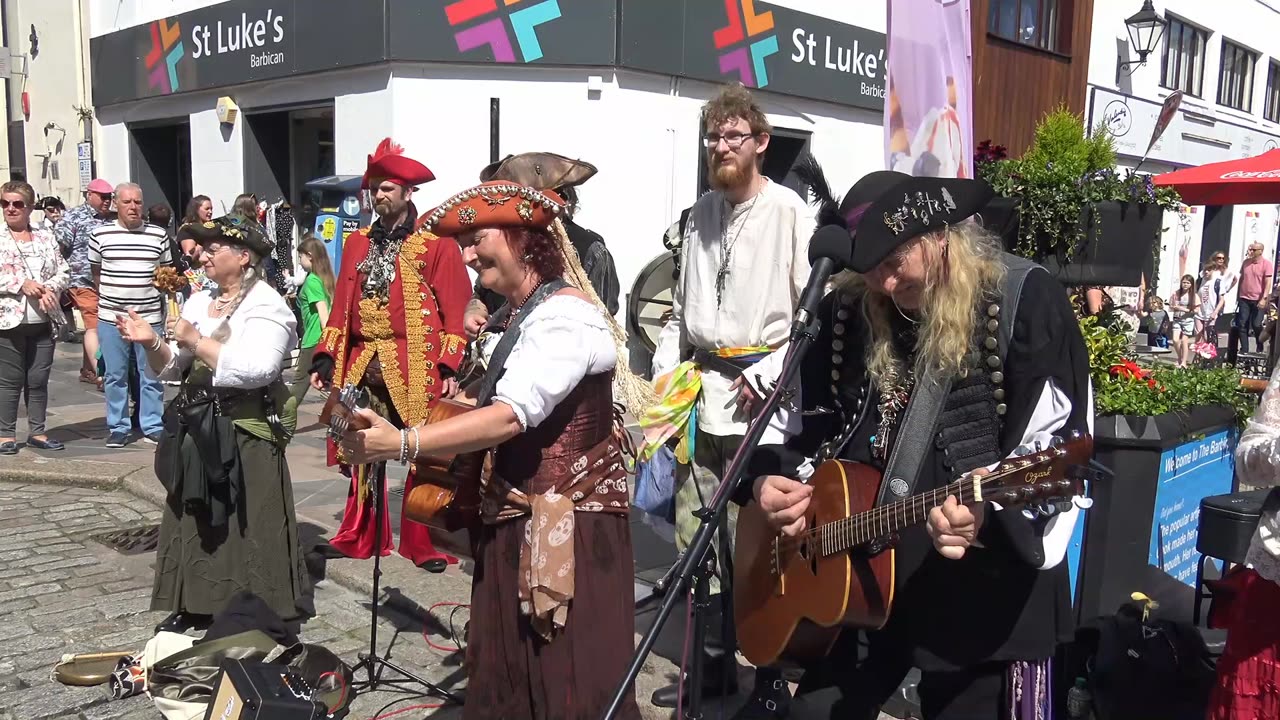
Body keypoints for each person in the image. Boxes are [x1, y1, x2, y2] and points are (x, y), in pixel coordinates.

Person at [746, 169, 1091, 719]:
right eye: (870, 267)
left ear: (937, 235)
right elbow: (781, 422)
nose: (883, 283)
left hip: (978, 605)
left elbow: (1059, 449)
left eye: (893, 262)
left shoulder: (1023, 302)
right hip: (854, 582)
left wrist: (985, 516)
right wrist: (764, 481)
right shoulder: (845, 311)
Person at [339, 179, 648, 720]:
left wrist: (403, 442)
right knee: (514, 669)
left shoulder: (564, 317)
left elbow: (511, 415)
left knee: (566, 675)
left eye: (477, 238)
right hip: (519, 518)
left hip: (567, 533)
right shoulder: (526, 313)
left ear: (521, 239)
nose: (465, 253)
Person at [646, 83, 815, 714]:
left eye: (733, 136)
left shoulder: (792, 214)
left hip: (761, 406)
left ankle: (767, 676)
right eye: (714, 136)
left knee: (756, 544)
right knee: (697, 539)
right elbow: (679, 316)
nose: (721, 147)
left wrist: (769, 373)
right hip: (702, 392)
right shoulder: (698, 215)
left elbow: (812, 314)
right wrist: (666, 379)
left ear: (761, 144)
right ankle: (711, 668)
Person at [114, 214, 308, 634]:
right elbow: (174, 369)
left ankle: (260, 604)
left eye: (214, 248)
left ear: (243, 257)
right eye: (203, 247)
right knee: (197, 516)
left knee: (248, 517)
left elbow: (259, 369)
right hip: (200, 426)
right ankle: (197, 602)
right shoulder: (201, 301)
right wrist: (152, 341)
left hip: (245, 430)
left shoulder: (267, 304)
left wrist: (194, 340)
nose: (203, 254)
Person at [308, 138, 471, 571]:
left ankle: (421, 542)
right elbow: (341, 303)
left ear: (407, 193)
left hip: (415, 364)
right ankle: (360, 535)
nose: (378, 196)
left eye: (386, 189)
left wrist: (448, 362)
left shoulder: (437, 244)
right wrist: (326, 355)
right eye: (375, 189)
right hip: (362, 362)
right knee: (359, 444)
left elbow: (457, 310)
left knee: (421, 452)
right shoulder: (358, 243)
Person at [463, 152, 620, 338]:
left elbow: (601, 318)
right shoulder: (503, 243)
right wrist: (475, 309)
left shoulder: (590, 249)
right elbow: (482, 291)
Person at [90, 183, 171, 448]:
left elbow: (167, 275)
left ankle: (152, 424)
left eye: (137, 202)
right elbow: (96, 274)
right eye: (127, 202)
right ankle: (119, 426)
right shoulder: (100, 234)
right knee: (115, 375)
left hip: (148, 317)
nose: (133, 207)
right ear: (116, 204)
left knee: (151, 374)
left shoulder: (158, 235)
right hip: (112, 318)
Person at [0, 181, 69, 455]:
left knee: (38, 379)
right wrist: (21, 283)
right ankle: (5, 434)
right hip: (9, 320)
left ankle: (38, 432)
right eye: (5, 203)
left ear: (30, 208)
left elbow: (63, 269)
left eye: (17, 204)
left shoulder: (44, 235)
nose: (10, 209)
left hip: (43, 319)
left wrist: (49, 289)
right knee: (9, 380)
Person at [55, 178, 113, 386]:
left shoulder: (111, 220)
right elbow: (59, 247)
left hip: (107, 282)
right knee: (94, 325)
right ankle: (102, 373)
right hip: (82, 280)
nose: (107, 201)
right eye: (103, 197)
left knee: (103, 325)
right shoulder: (73, 217)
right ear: (90, 195)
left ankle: (87, 370)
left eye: (109, 197)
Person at [292, 235, 333, 404]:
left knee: (297, 386)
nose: (300, 261)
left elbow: (323, 314)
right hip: (321, 339)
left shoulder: (312, 281)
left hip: (314, 340)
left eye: (300, 256)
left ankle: (284, 424)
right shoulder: (325, 279)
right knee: (327, 384)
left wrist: (327, 340)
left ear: (309, 256)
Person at [1230, 242, 1272, 363]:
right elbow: (1242, 279)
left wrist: (1264, 298)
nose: (1251, 251)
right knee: (1242, 324)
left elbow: (1268, 282)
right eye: (1250, 249)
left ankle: (1260, 343)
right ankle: (1245, 349)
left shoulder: (1266, 264)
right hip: (1244, 298)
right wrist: (1238, 296)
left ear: (1260, 251)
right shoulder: (1246, 263)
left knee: (1256, 324)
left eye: (1253, 249)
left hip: (1258, 299)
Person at [1198, 252, 1235, 350]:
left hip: (1215, 302)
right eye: (1219, 258)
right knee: (1200, 332)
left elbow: (1235, 279)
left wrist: (1227, 289)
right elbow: (1201, 280)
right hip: (1203, 303)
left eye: (1223, 258)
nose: (1221, 260)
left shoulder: (1223, 273)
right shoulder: (1207, 270)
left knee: (1210, 331)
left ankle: (1211, 352)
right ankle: (1202, 352)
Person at [1169, 274, 1200, 368]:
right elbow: (1171, 305)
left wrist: (1182, 309)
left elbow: (1196, 310)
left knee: (1184, 341)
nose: (1185, 284)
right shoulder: (1176, 293)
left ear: (1191, 284)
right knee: (1175, 339)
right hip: (1177, 319)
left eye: (1187, 283)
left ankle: (1183, 362)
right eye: (1183, 282)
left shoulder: (1194, 296)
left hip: (1188, 320)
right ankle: (1180, 357)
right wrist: (1173, 306)